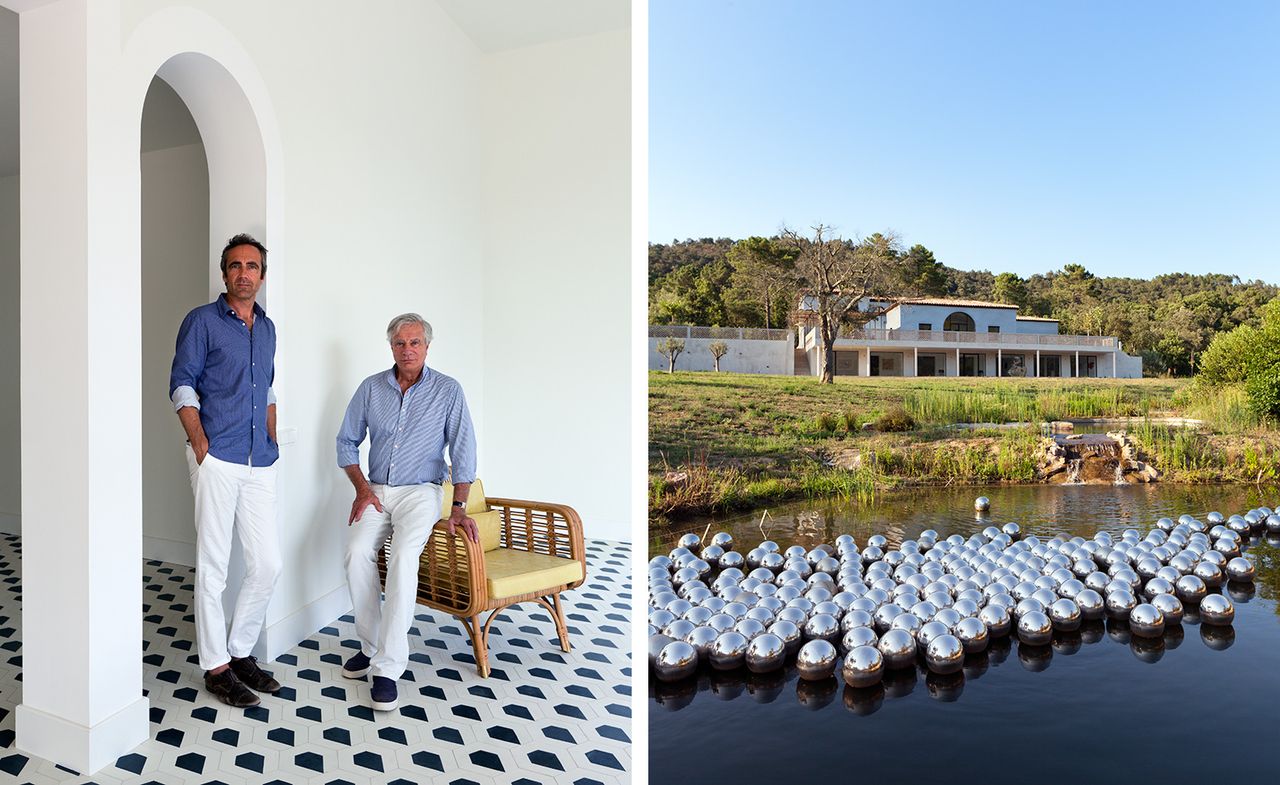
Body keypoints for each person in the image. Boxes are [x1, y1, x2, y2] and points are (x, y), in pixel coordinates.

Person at [336, 313, 477, 711]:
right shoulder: (370, 388)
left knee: (401, 558)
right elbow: (346, 441)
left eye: (415, 343)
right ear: (391, 347)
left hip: (422, 491)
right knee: (355, 552)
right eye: (400, 343)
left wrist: (459, 507)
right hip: (377, 490)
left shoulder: (448, 391)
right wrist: (362, 489)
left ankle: (387, 668)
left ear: (427, 347)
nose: (408, 350)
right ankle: (371, 646)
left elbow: (463, 449)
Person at [170, 233, 283, 708]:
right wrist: (200, 443)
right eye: (235, 265)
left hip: (260, 460)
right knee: (214, 566)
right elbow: (181, 384)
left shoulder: (268, 327)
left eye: (252, 266)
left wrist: (273, 439)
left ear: (261, 274)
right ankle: (216, 666)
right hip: (217, 457)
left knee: (267, 563)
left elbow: (269, 390)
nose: (244, 273)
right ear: (224, 274)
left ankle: (239, 652)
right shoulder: (201, 322)